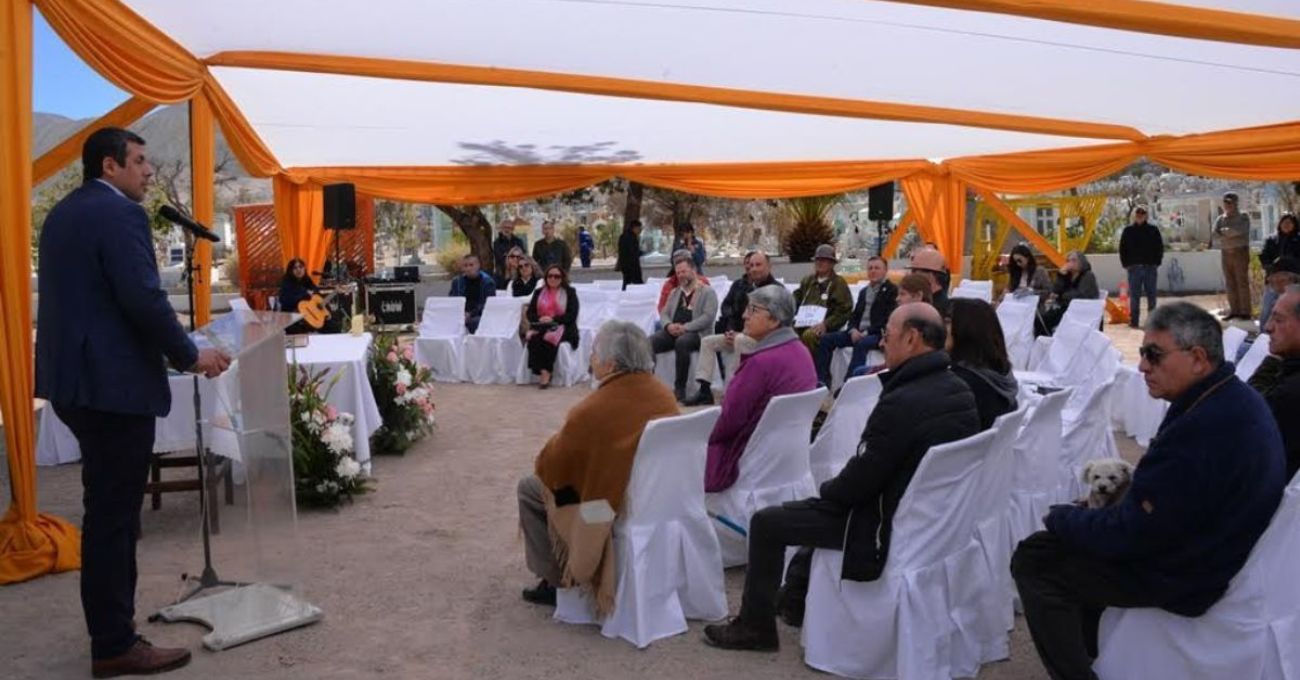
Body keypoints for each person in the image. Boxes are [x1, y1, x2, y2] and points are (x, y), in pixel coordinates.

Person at [35, 127, 232, 677]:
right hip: (112, 387)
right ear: (109, 166)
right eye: (140, 161)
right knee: (114, 519)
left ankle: (112, 631)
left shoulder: (63, 214)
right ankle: (115, 643)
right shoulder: (120, 215)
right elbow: (141, 297)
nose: (149, 171)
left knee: (107, 511)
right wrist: (191, 354)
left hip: (77, 383)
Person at [1013, 302, 1285, 680]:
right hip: (1204, 547)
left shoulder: (1204, 427)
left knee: (1035, 559)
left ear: (1198, 358)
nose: (1141, 366)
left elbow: (1132, 535)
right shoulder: (1226, 398)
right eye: (1142, 353)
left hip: (1186, 575)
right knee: (1069, 541)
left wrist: (1062, 517)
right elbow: (1162, 502)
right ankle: (1096, 654)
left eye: (1153, 355)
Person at [702, 303, 979, 650]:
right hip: (928, 520)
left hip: (879, 521)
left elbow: (859, 482)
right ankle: (791, 598)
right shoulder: (959, 389)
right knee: (805, 513)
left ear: (912, 339)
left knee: (768, 522)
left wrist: (827, 491)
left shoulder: (903, 399)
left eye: (888, 336)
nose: (883, 342)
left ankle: (755, 627)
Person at [517, 320, 680, 607]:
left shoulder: (593, 410)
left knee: (532, 487)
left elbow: (552, 466)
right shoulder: (663, 395)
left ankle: (556, 579)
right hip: (656, 495)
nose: (591, 359)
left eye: (594, 353)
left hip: (604, 505)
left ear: (612, 363)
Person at [704, 284, 817, 493]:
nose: (745, 315)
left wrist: (700, 436)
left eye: (753, 310)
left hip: (750, 461)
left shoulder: (760, 363)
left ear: (774, 320)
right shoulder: (801, 351)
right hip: (786, 462)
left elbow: (728, 422)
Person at [683, 251, 777, 406]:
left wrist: (741, 333)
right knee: (707, 342)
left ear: (769, 266)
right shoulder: (745, 286)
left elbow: (770, 323)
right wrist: (731, 330)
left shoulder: (775, 290)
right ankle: (705, 390)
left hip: (762, 340)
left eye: (758, 265)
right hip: (739, 333)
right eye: (751, 265)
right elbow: (731, 310)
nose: (753, 269)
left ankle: (732, 394)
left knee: (739, 341)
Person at [814, 255, 897, 387]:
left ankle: (849, 384)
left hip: (877, 333)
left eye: (877, 268)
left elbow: (888, 319)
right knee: (826, 340)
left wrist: (866, 332)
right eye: (870, 268)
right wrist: (852, 329)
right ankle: (822, 380)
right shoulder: (864, 292)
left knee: (862, 343)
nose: (873, 271)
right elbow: (855, 315)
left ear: (885, 270)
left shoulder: (892, 290)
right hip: (857, 331)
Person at [650, 255, 719, 401]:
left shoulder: (707, 291)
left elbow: (707, 317)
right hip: (673, 330)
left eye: (684, 271)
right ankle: (648, 383)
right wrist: (668, 325)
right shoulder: (675, 292)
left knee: (682, 342)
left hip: (697, 333)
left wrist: (686, 328)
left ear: (693, 270)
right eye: (678, 272)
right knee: (649, 342)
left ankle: (679, 388)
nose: (681, 275)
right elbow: (664, 314)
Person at [947, 298, 1018, 430]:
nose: (939, 328)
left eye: (947, 322)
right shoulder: (1000, 373)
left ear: (966, 330)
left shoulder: (962, 384)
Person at [1254, 285, 1300, 479]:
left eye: (1279, 319)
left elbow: (1247, 417)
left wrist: (1271, 363)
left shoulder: (1289, 394)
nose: (1268, 327)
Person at [524, 265, 580, 389]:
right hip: (542, 325)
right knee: (534, 338)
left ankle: (547, 371)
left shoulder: (570, 292)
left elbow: (572, 315)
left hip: (563, 326)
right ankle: (541, 371)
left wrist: (553, 319)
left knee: (549, 337)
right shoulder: (539, 292)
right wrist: (540, 319)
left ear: (562, 278)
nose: (553, 279)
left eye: (557, 276)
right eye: (550, 276)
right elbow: (530, 313)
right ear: (546, 278)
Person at [793, 244, 853, 354]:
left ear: (832, 264)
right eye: (817, 260)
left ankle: (811, 368)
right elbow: (796, 299)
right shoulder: (808, 281)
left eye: (824, 260)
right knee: (786, 333)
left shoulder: (838, 283)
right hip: (803, 322)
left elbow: (844, 310)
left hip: (824, 326)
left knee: (809, 335)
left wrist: (826, 324)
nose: (819, 263)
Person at [1118, 206, 1164, 329]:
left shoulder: (1153, 230)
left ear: (1146, 216)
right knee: (1134, 296)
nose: (1140, 216)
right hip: (1134, 268)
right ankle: (1134, 321)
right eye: (1138, 214)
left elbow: (1159, 247)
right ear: (1134, 215)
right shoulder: (1128, 231)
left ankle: (1152, 322)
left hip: (1150, 268)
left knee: (1152, 295)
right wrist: (1126, 264)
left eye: (1142, 214)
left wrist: (1156, 263)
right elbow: (1122, 249)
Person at [1038, 250, 1100, 336]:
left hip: (1081, 310)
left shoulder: (1088, 275)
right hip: (1066, 307)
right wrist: (1061, 276)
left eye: (1074, 260)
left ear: (1081, 262)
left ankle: (1049, 340)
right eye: (1068, 261)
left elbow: (1080, 295)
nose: (1070, 263)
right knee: (1040, 318)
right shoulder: (1068, 275)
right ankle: (1047, 340)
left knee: (1046, 320)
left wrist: (1062, 296)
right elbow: (1055, 290)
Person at [1214, 192, 1253, 320]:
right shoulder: (1220, 219)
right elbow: (1215, 234)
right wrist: (1228, 233)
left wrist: (1227, 232)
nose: (1227, 205)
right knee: (1230, 283)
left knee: (1241, 282)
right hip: (1226, 253)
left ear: (1235, 203)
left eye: (1230, 202)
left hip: (1239, 252)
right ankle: (1234, 310)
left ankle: (1245, 311)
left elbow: (1240, 231)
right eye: (1225, 202)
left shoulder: (1243, 217)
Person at [1259, 213, 1299, 328]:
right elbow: (1264, 256)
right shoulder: (1271, 240)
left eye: (1290, 223)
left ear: (1294, 225)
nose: (1286, 225)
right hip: (1274, 280)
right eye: (1284, 222)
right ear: (1280, 224)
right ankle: (1263, 335)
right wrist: (1272, 268)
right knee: (1267, 309)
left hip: (1294, 282)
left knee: (1292, 311)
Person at [448, 254, 497, 333]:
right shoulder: (457, 282)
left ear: (478, 265)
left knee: (475, 322)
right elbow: (452, 300)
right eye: (465, 266)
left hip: (479, 315)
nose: (468, 268)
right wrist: (460, 313)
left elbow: (487, 304)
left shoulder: (487, 282)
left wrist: (470, 314)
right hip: (460, 314)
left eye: (471, 265)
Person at [278, 257, 320, 334]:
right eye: (295, 268)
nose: (298, 270)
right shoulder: (286, 282)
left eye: (301, 267)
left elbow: (315, 290)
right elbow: (284, 300)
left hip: (307, 315)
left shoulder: (306, 279)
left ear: (304, 268)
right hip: (291, 317)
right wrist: (304, 295)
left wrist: (313, 292)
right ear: (290, 271)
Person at [908, 247, 951, 317]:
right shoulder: (926, 302)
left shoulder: (937, 310)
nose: (912, 275)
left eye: (914, 271)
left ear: (930, 275)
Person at [492, 218, 527, 282]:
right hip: (502, 273)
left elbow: (523, 255)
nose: (507, 229)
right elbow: (500, 257)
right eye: (505, 227)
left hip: (518, 272)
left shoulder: (518, 241)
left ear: (513, 229)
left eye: (509, 228)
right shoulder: (496, 243)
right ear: (501, 228)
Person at [616, 219, 645, 290]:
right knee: (636, 283)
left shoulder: (624, 236)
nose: (640, 231)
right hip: (631, 265)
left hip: (625, 265)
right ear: (635, 228)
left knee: (627, 282)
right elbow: (632, 251)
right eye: (639, 229)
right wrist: (641, 253)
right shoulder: (630, 237)